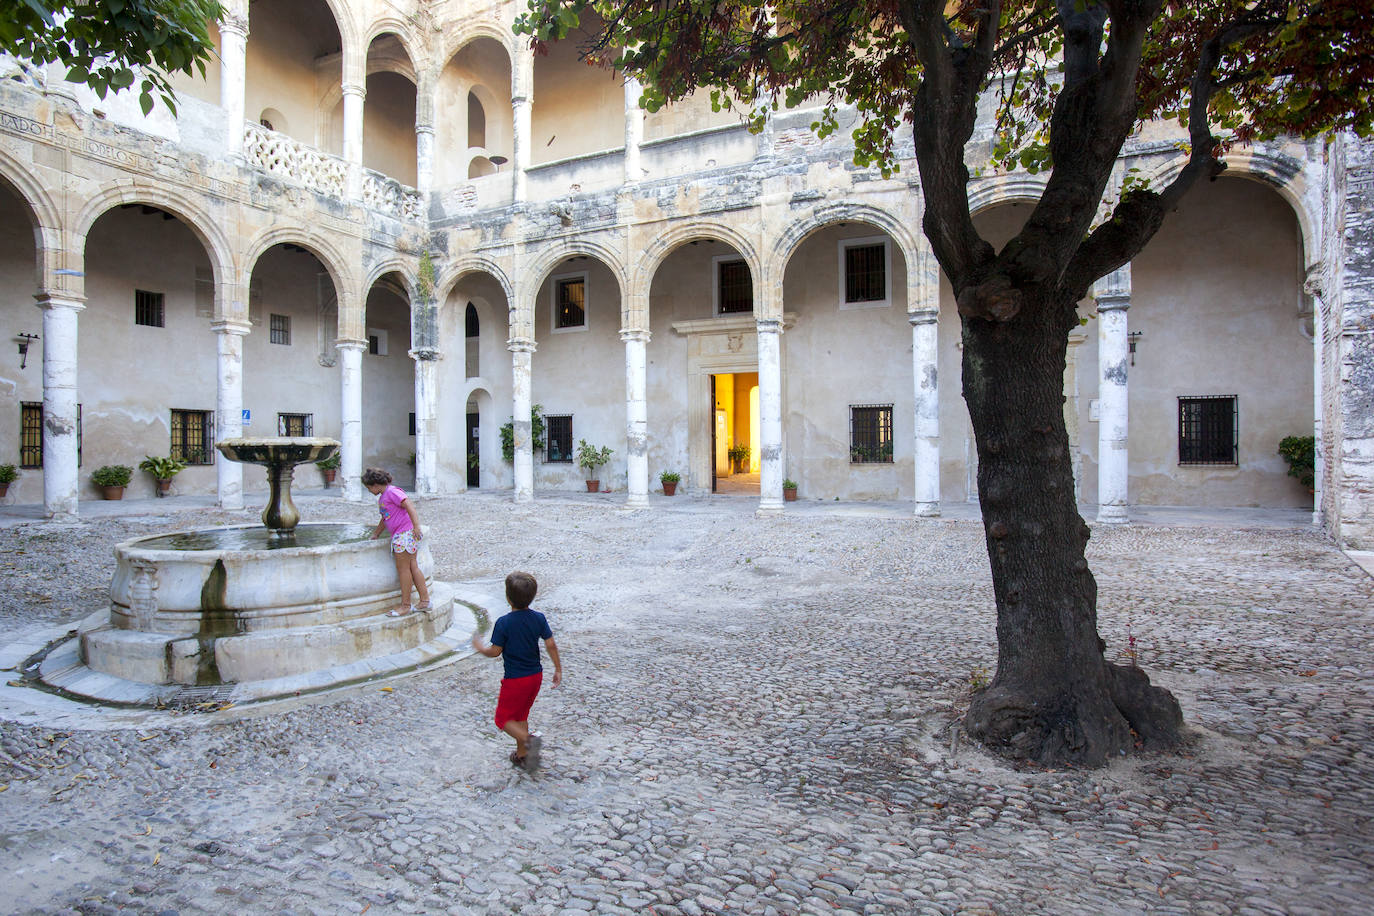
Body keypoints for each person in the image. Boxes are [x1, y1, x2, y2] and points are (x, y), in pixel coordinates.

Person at [471, 571, 562, 770]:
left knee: (502, 719)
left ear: (508, 597)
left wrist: (480, 648)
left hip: (515, 679)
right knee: (520, 715)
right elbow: (551, 644)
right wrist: (558, 668)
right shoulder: (539, 618)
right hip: (535, 676)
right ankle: (523, 755)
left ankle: (528, 740)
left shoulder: (504, 623)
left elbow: (495, 652)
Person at [362, 467, 430, 616]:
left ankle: (405, 606)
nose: (368, 491)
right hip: (405, 535)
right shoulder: (384, 497)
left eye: (368, 488)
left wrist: (417, 526)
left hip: (404, 535)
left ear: (375, 484)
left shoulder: (392, 492)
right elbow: (385, 518)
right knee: (413, 567)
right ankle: (425, 601)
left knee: (404, 570)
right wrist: (376, 534)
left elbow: (409, 505)